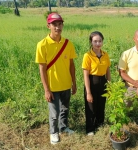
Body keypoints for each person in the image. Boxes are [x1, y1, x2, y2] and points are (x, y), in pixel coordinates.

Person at [35, 13, 77, 144]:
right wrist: (46, 90)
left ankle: (63, 128)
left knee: (65, 109)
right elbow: (42, 69)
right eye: (54, 24)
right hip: (52, 86)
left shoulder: (68, 43)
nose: (57, 27)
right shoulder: (42, 45)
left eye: (60, 24)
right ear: (48, 26)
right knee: (54, 113)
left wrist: (74, 83)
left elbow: (71, 65)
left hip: (66, 84)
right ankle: (53, 132)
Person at [82, 31, 111, 136]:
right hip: (91, 81)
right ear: (91, 42)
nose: (97, 43)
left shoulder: (105, 54)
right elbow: (85, 75)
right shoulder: (87, 56)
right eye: (95, 41)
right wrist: (88, 92)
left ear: (102, 42)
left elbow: (108, 71)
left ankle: (100, 125)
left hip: (102, 81)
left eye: (100, 41)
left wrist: (109, 86)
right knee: (91, 106)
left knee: (101, 105)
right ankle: (90, 129)